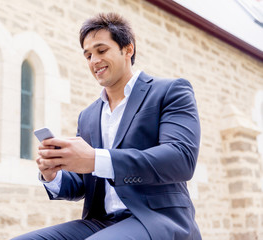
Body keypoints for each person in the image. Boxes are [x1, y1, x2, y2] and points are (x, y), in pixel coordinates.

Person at [12, 12, 202, 240]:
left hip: (156, 218)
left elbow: (180, 159)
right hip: (101, 223)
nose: (94, 61)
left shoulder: (170, 91)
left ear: (128, 49)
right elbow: (82, 184)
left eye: (102, 51)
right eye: (88, 55)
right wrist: (53, 175)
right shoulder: (88, 116)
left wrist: (96, 159)